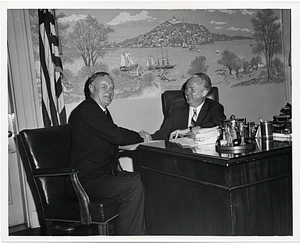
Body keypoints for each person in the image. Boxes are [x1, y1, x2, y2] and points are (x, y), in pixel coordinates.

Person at [68, 72, 148, 235]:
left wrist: (130, 143)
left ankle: (142, 232)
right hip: (86, 179)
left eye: (112, 88)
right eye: (104, 87)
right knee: (133, 187)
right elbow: (116, 135)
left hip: (104, 173)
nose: (109, 92)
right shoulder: (87, 110)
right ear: (91, 88)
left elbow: (106, 138)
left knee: (146, 178)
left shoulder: (101, 111)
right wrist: (142, 136)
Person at [150, 72, 226, 140]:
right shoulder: (175, 108)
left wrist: (190, 130)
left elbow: (218, 125)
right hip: (181, 153)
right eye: (186, 88)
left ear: (204, 92)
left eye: (192, 90)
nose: (187, 92)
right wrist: (149, 138)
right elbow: (164, 133)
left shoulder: (215, 108)